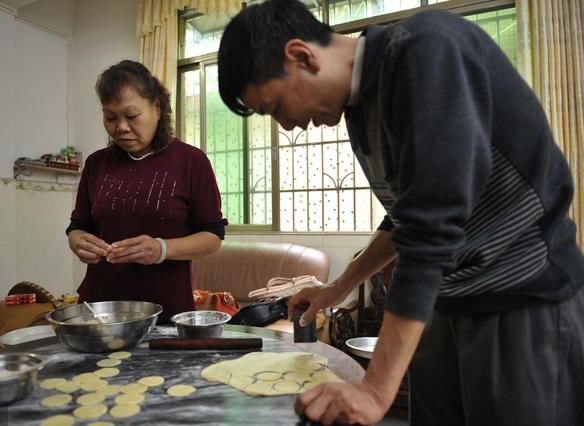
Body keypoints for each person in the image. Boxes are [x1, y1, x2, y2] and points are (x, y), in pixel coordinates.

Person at [217, 1, 584, 425]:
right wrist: (338, 288)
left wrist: (374, 389)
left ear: (301, 55)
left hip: (520, 298)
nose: (287, 125)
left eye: (276, 106)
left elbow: (432, 224)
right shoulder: (360, 108)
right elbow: (407, 217)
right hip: (445, 301)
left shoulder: (427, 49)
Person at [67, 60, 226, 322]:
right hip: (100, 310)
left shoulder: (191, 162)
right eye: (110, 117)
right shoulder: (96, 164)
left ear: (157, 107)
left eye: (131, 116)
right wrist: (79, 242)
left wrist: (161, 249)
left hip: (165, 311)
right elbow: (77, 226)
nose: (121, 127)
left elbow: (213, 236)